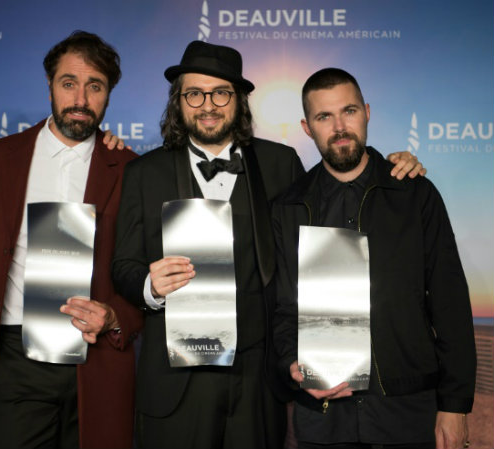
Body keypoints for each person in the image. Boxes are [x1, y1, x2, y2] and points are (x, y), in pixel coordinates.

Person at [111, 41, 424, 449]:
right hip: (176, 382)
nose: (208, 104)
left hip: (257, 383)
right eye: (194, 93)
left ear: (239, 101)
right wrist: (150, 286)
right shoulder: (141, 173)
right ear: (178, 102)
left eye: (221, 92)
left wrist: (394, 165)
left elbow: (333, 210)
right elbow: (124, 266)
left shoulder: (281, 163)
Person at [272, 68, 476, 449]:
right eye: (323, 117)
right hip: (322, 416)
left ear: (367, 111)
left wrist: (455, 406)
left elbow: (450, 304)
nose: (339, 126)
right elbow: (282, 309)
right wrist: (289, 365)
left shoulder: (415, 194)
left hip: (407, 412)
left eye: (348, 111)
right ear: (306, 127)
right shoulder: (288, 207)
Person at [0, 31, 143, 449]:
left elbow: (145, 269)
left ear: (108, 95)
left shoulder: (133, 169)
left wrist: (116, 317)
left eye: (95, 86)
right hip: (16, 357)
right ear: (49, 86)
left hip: (98, 356)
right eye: (69, 83)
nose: (81, 98)